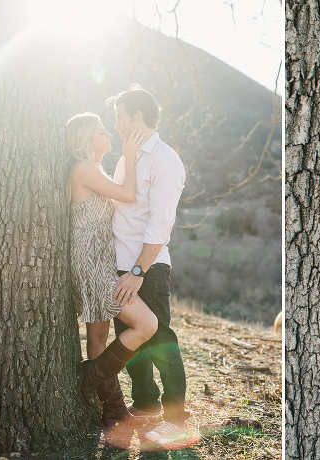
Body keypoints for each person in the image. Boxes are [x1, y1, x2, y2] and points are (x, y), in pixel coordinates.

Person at [106, 85, 195, 448]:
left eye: (120, 116)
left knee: (160, 341)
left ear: (137, 117)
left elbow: (160, 225)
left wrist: (138, 272)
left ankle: (177, 420)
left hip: (146, 269)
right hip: (116, 266)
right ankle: (145, 404)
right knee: (131, 343)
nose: (116, 123)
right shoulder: (127, 156)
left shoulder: (165, 159)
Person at [66, 112, 157, 430]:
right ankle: (89, 376)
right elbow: (127, 194)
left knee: (99, 335)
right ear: (86, 139)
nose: (109, 135)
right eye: (102, 131)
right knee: (147, 324)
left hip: (100, 260)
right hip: (91, 263)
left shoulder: (93, 169)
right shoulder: (82, 168)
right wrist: (130, 156)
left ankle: (113, 410)